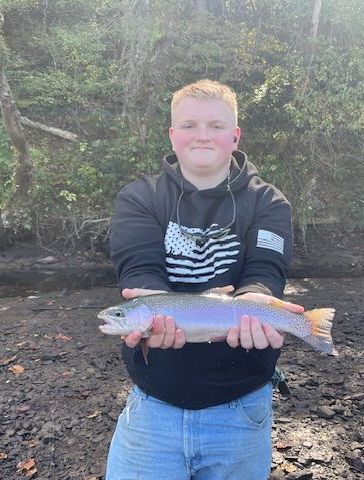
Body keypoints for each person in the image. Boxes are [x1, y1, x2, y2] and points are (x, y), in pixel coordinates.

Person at [105, 79, 303, 479]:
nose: (202, 135)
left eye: (215, 125)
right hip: (153, 403)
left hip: (242, 404)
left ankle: (308, 324)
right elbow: (140, 269)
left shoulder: (269, 202)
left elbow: (265, 272)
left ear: (234, 136)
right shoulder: (139, 198)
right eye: (190, 125)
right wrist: (146, 303)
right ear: (173, 135)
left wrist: (260, 299)